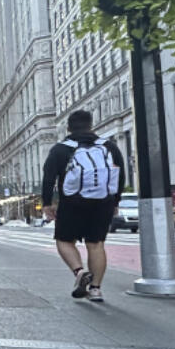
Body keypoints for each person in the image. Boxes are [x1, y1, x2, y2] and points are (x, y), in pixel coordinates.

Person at [41, 110, 126, 303]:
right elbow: (120, 176)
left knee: (64, 240)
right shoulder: (109, 147)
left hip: (72, 202)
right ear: (91, 125)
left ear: (68, 128)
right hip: (103, 202)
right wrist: (115, 201)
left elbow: (48, 178)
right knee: (96, 244)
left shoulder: (60, 149)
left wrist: (47, 203)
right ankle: (95, 289)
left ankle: (79, 272)